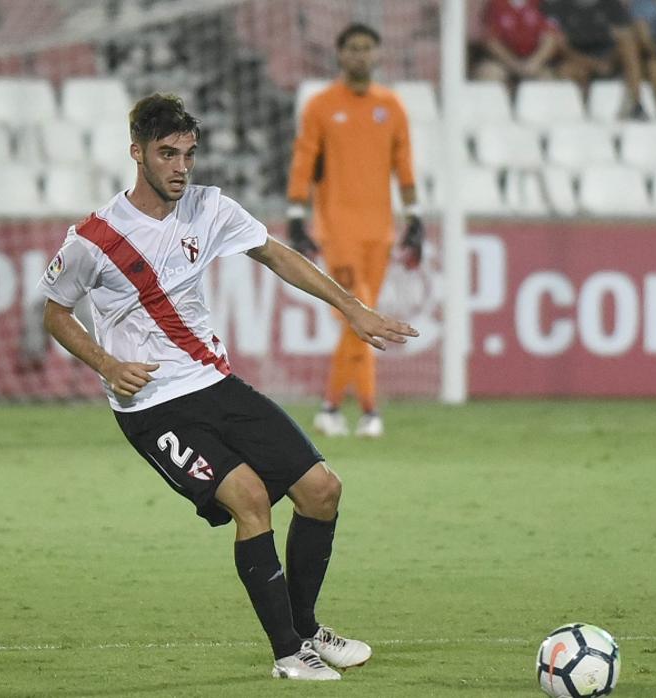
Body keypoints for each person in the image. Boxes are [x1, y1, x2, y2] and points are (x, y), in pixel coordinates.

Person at [39, 92, 418, 682]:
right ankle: (289, 655)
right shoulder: (94, 238)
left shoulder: (208, 208)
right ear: (136, 153)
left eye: (189, 154)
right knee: (251, 500)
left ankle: (306, 628)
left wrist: (352, 308)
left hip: (214, 383)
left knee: (322, 490)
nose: (181, 167)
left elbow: (275, 255)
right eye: (167, 154)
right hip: (151, 405)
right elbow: (56, 314)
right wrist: (107, 365)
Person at [286, 23, 423, 439]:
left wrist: (415, 215)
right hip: (338, 232)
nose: (361, 55)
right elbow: (303, 161)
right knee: (357, 314)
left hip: (380, 232)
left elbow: (404, 164)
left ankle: (330, 409)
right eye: (353, 48)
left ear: (377, 55)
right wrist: (296, 214)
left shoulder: (391, 105)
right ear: (340, 55)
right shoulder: (321, 106)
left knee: (357, 319)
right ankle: (368, 410)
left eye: (367, 48)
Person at [542, 0, 649, 119]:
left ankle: (636, 103)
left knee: (629, 44)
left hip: (607, 57)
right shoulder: (561, 6)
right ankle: (582, 111)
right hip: (577, 58)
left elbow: (624, 34)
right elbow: (561, 45)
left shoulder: (612, 4)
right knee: (568, 70)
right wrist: (593, 64)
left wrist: (607, 60)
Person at [474, 0, 561, 86]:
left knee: (547, 79)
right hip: (501, 62)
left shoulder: (541, 3)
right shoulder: (495, 3)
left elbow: (551, 37)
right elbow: (490, 41)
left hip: (534, 62)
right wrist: (514, 64)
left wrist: (535, 62)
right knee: (489, 74)